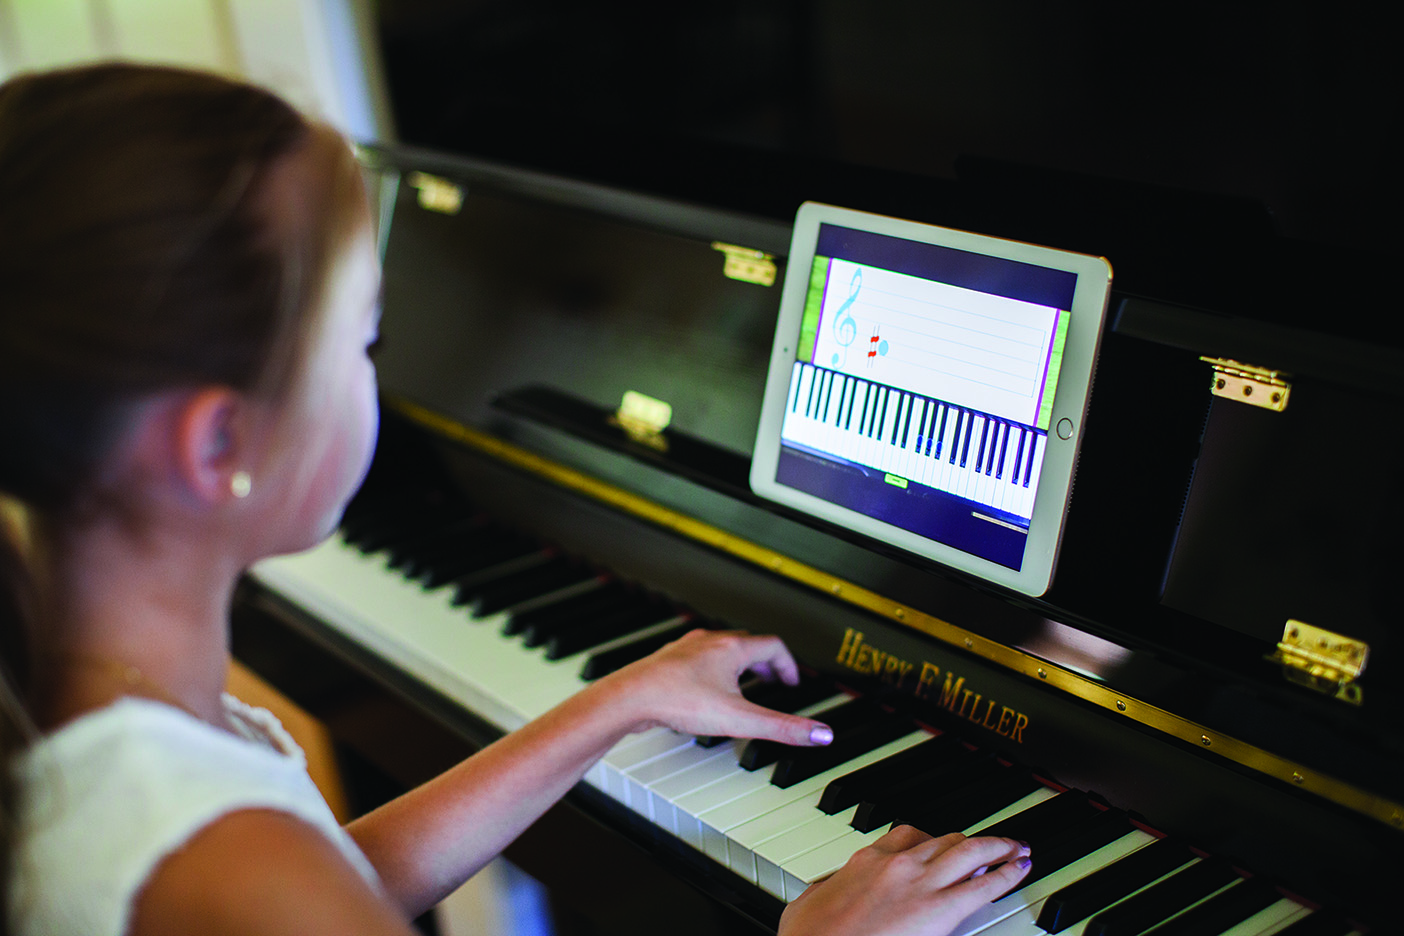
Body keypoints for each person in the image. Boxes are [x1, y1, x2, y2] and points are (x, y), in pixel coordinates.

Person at [0, 63, 1031, 936]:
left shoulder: (101, 706)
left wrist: (610, 704)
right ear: (220, 440)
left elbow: (337, 878)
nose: (379, 371)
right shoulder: (224, 867)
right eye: (364, 342)